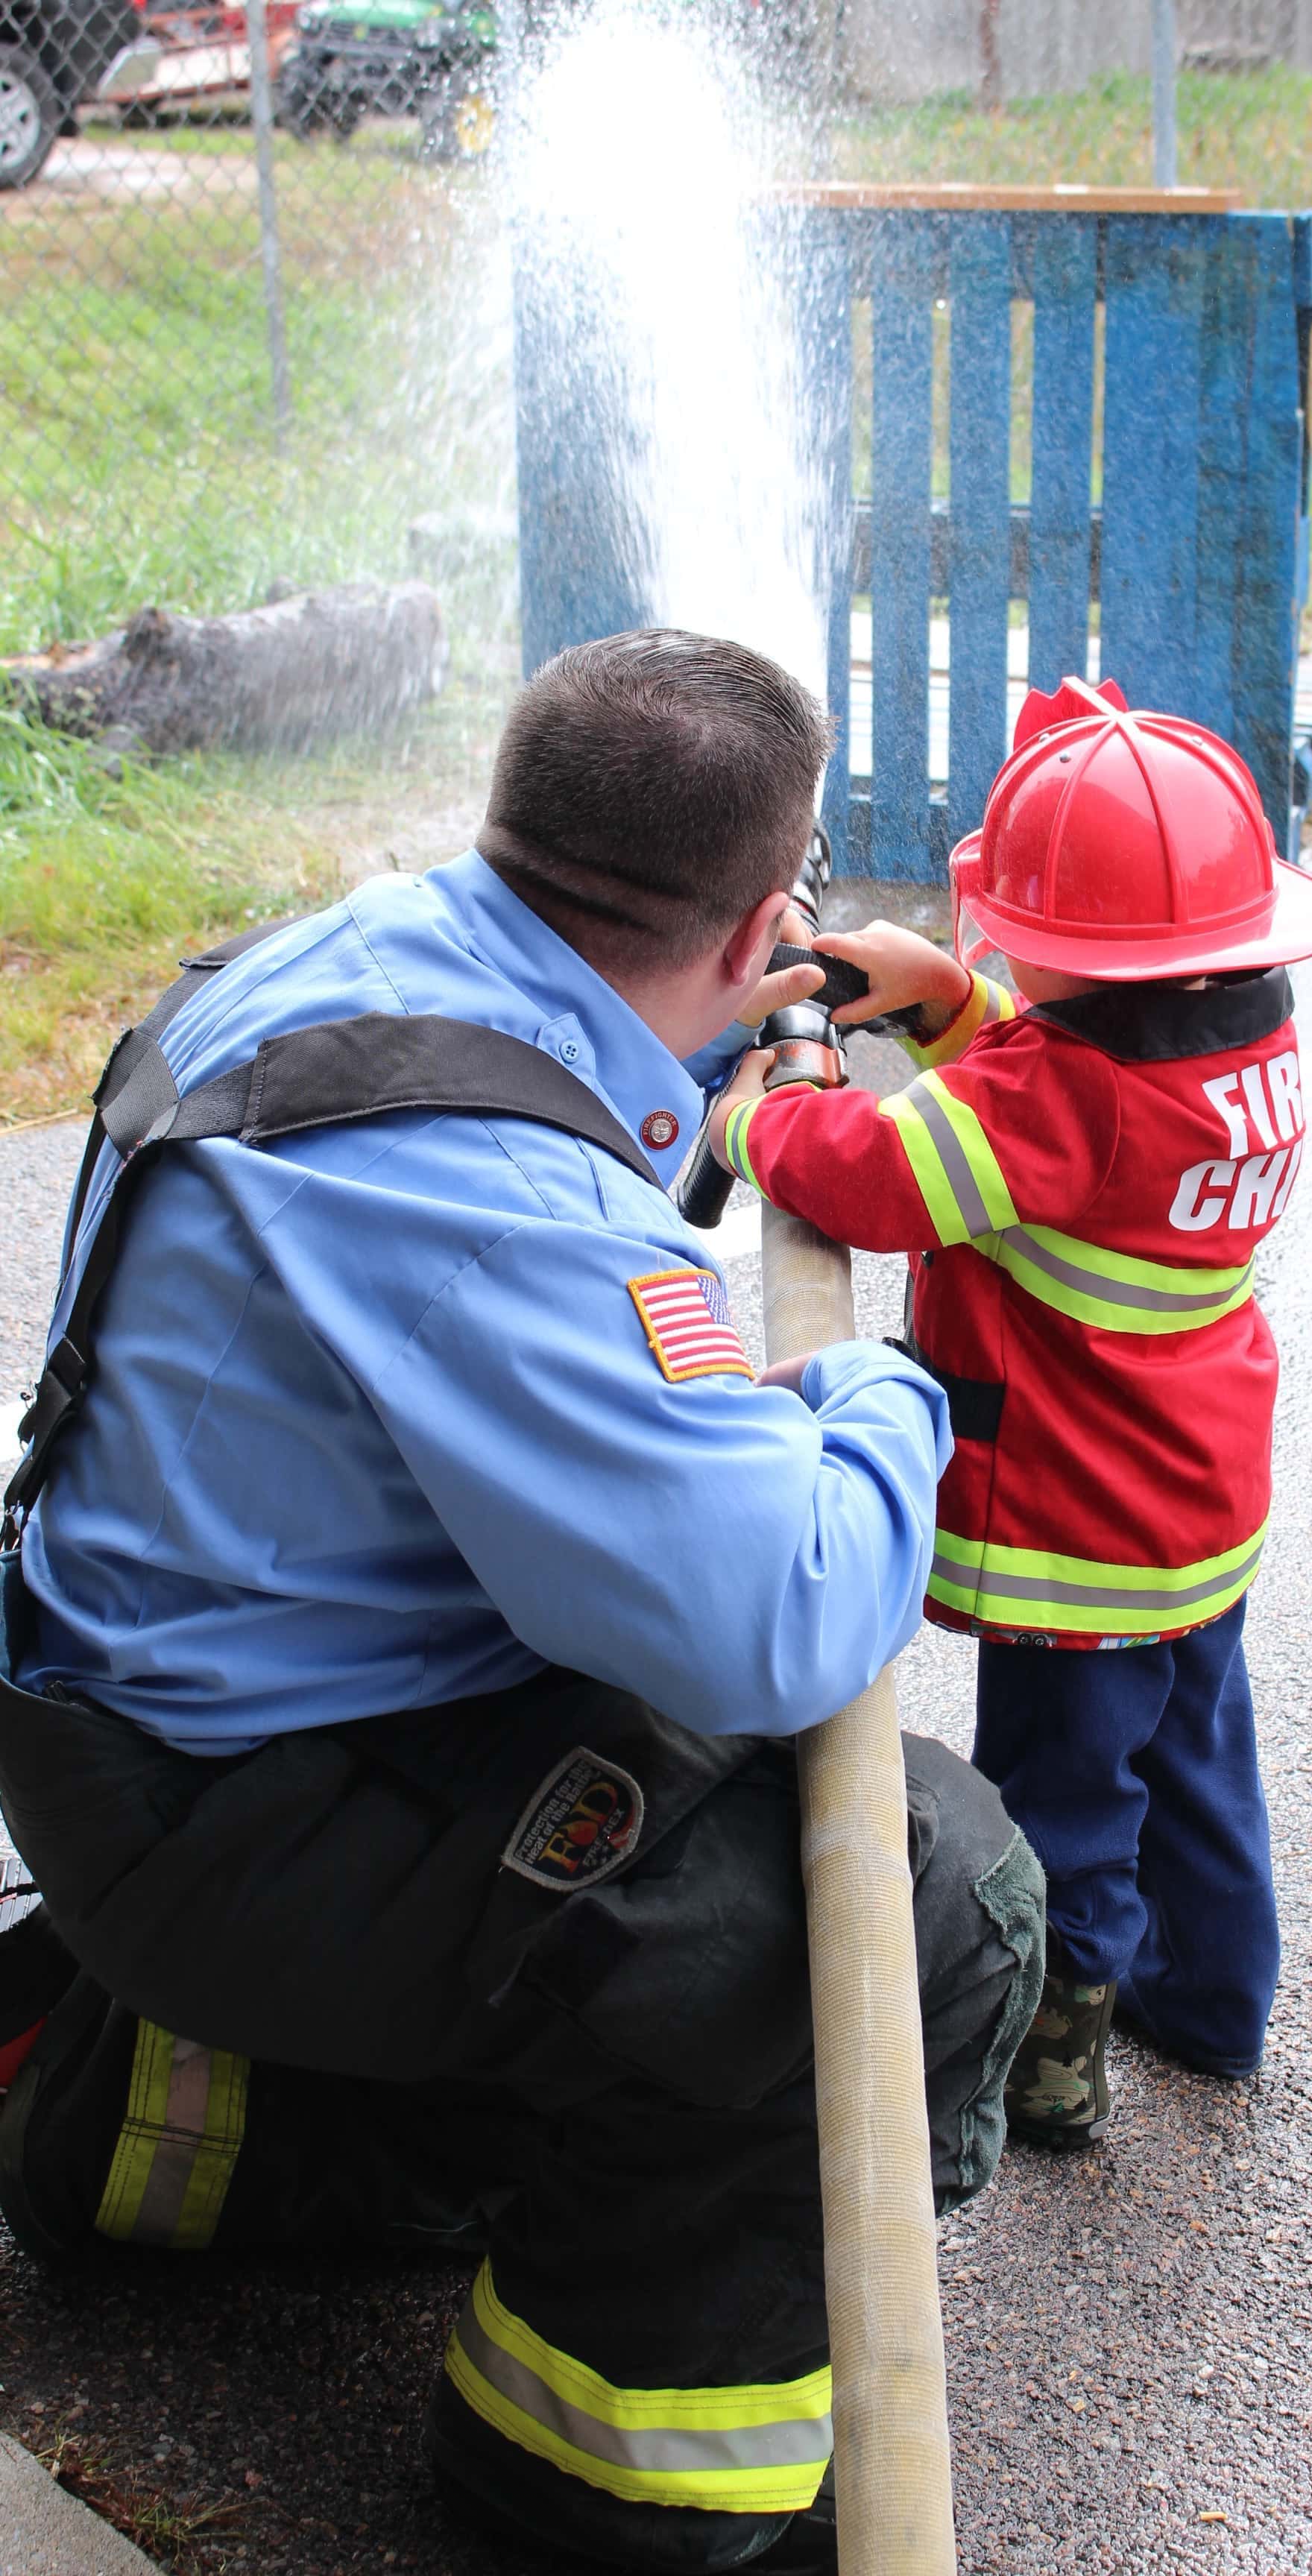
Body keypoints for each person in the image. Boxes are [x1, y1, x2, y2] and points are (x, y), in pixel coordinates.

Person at [0, 630, 1045, 2575]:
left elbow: (598, 1111)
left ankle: (173, 2114)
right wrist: (877, 1394)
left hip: (174, 1730)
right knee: (913, 1894)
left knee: (662, 1818)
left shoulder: (373, 960)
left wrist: (758, 1044)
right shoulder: (491, 1198)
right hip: (224, 1818)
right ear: (752, 924)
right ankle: (593, 2484)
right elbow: (781, 1613)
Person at [710, 678, 1312, 2147]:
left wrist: (757, 1115)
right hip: (1197, 1503)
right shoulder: (1237, 1047)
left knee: (1062, 1799)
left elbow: (879, 1175)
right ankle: (1217, 2003)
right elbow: (1072, 1107)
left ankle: (1051, 2061)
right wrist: (946, 1001)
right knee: (1195, 1764)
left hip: (1081, 1526)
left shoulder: (1058, 1101)